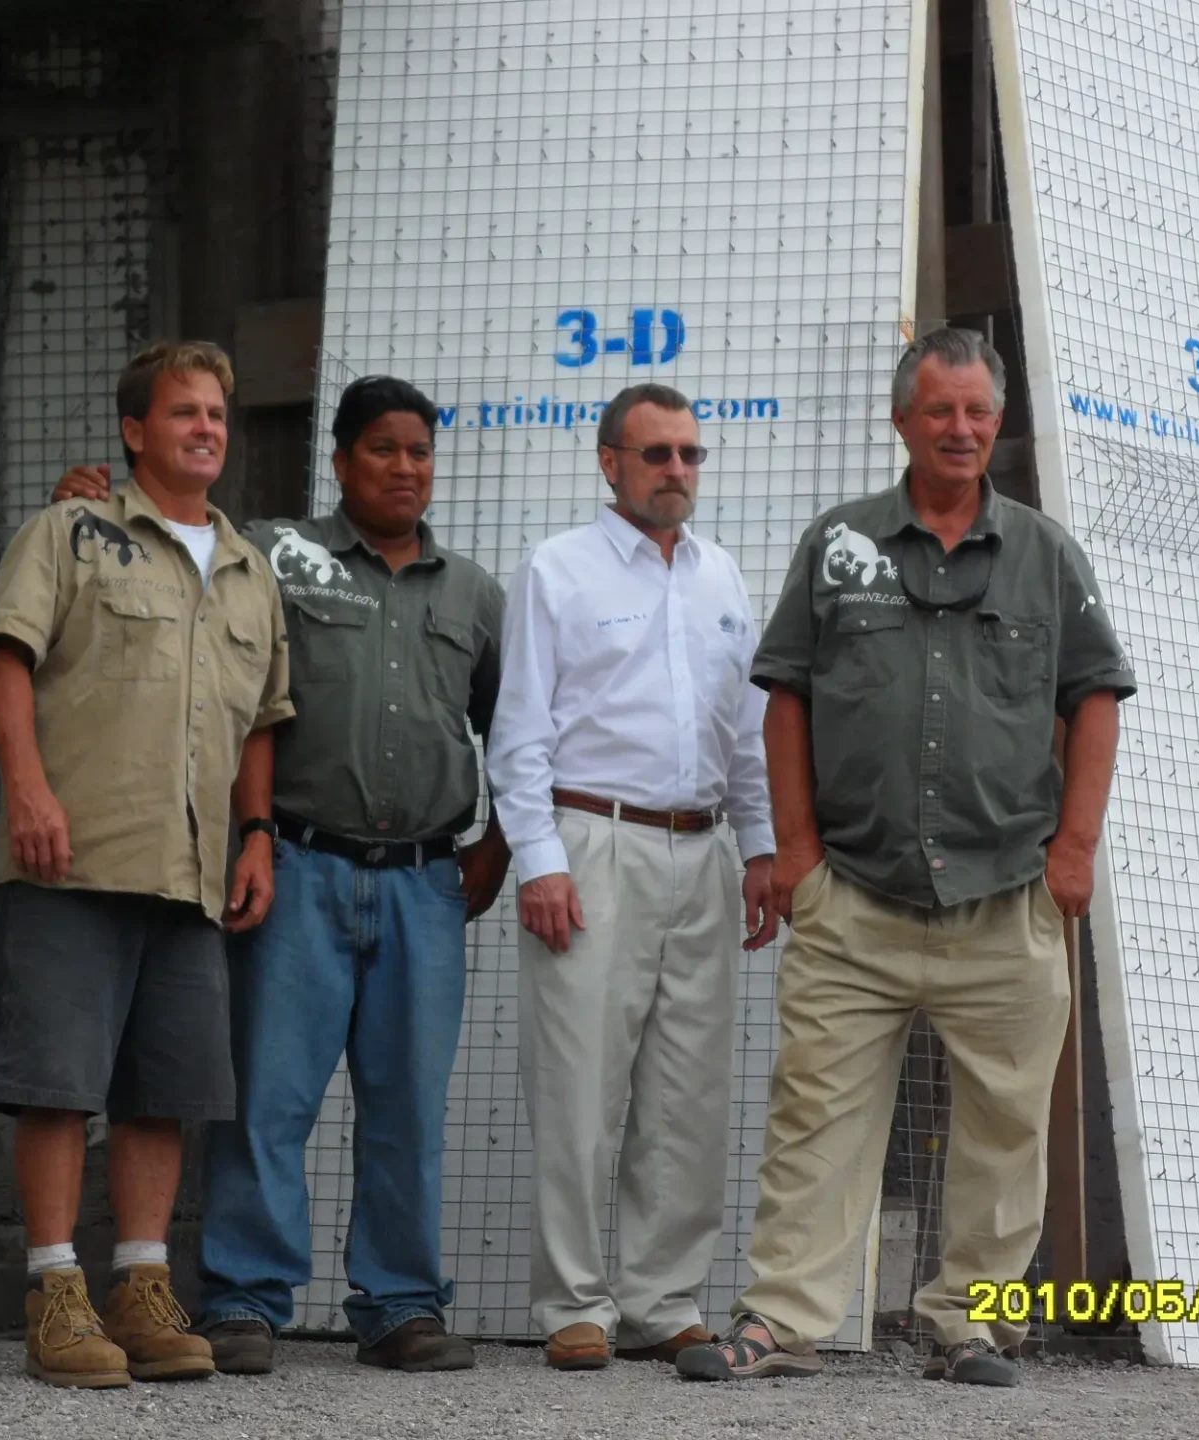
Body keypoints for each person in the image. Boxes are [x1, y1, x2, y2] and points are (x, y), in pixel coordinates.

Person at [676, 327, 1137, 1385]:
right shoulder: (839, 544)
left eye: (978, 412)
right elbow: (784, 694)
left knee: (1005, 1130)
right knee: (815, 1118)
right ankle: (778, 1322)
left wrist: (1075, 852)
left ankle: (967, 1326)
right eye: (941, 411)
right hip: (858, 899)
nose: (962, 429)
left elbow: (1095, 699)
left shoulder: (1047, 554)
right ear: (902, 421)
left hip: (1007, 894)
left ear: (999, 423)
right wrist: (795, 849)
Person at [48, 375, 510, 1376]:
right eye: (382, 450)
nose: (404, 468)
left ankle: (399, 1308)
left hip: (424, 882)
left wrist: (500, 844)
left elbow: (513, 728)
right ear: (340, 462)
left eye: (420, 452)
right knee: (269, 1098)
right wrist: (87, 500)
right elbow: (178, 561)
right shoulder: (272, 555)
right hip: (294, 865)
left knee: (408, 1109)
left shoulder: (474, 593)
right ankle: (247, 1300)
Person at [0, 340, 293, 1388]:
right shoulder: (68, 533)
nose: (206, 428)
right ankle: (55, 1290)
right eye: (183, 412)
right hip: (73, 854)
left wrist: (256, 834)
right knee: (59, 1086)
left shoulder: (250, 572)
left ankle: (143, 1286)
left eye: (217, 415)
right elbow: (6, 657)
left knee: (165, 1092)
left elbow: (262, 722)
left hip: (194, 874)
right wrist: (27, 789)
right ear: (134, 431)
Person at [486, 383, 779, 1371]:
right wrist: (539, 859)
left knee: (690, 1090)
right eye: (657, 455)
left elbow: (743, 736)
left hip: (703, 853)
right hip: (591, 842)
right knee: (579, 1086)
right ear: (609, 462)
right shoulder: (556, 571)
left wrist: (762, 848)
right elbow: (518, 730)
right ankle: (574, 1302)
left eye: (691, 455)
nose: (677, 473)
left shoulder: (722, 579)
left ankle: (664, 1299)